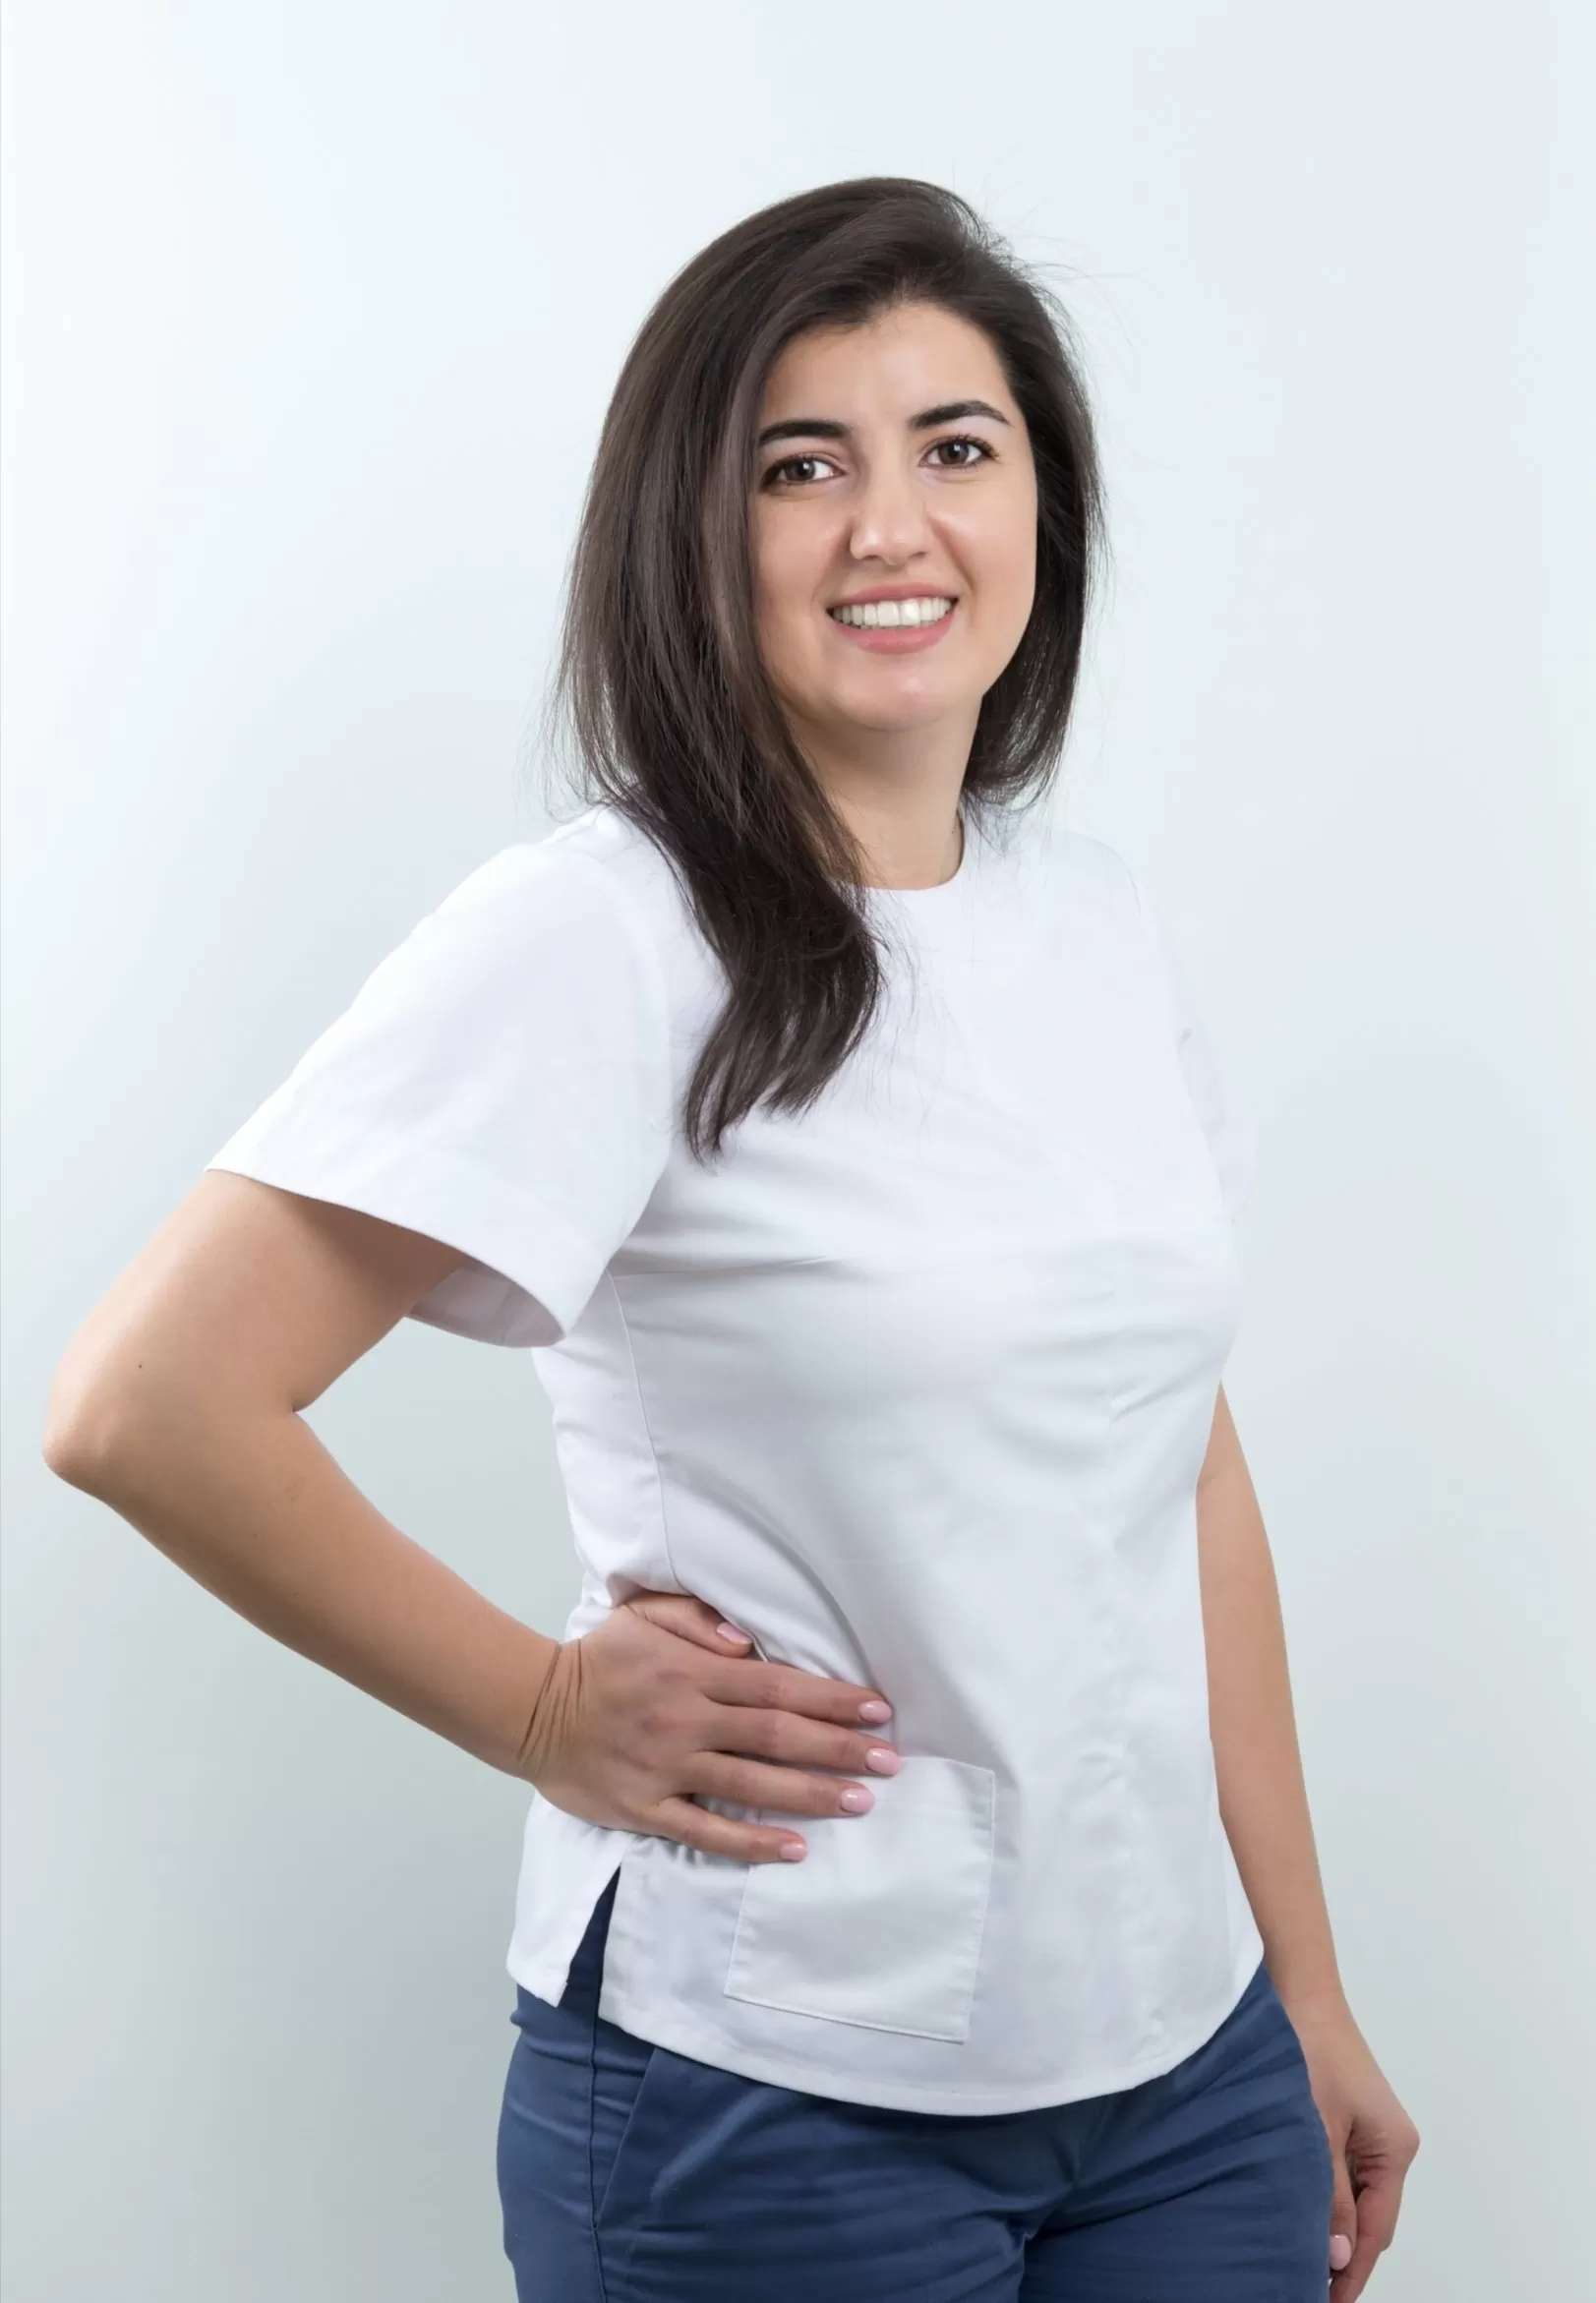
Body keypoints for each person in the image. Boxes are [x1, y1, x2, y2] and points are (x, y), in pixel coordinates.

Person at [41, 177, 1418, 2300]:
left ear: (1040, 505)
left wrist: (1302, 1984)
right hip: (770, 2096)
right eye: (802, 466)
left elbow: (1178, 1463)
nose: (891, 525)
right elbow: (147, 1405)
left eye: (954, 445)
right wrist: (539, 1707)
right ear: (693, 532)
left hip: (1183, 2065)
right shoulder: (600, 935)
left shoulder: (1091, 921)